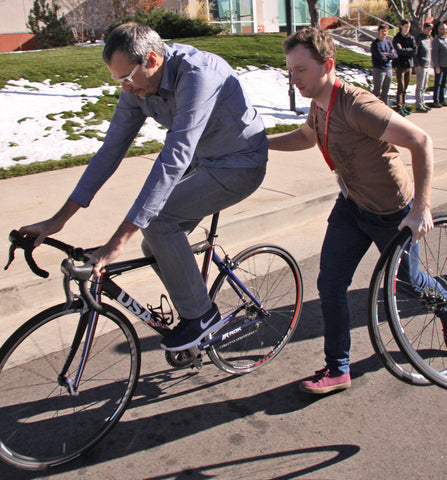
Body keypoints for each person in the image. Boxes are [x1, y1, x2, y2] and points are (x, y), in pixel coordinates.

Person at [18, 22, 268, 352]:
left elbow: (174, 155)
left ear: (151, 59)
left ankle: (201, 316)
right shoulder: (140, 85)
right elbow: (109, 151)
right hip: (202, 160)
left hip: (239, 163)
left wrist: (118, 240)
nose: (124, 88)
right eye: (117, 80)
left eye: (126, 78)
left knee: (158, 220)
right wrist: (57, 220)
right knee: (156, 245)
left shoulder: (198, 74)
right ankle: (195, 308)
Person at [268, 27, 444, 395]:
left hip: (391, 212)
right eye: (290, 69)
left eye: (300, 69)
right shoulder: (319, 103)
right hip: (351, 206)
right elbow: (306, 137)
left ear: (327, 65)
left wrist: (421, 209)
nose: (293, 78)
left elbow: (421, 141)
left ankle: (444, 299)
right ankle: (338, 369)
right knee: (330, 284)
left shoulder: (358, 106)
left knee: (411, 286)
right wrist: (260, 144)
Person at [392, 19, 417, 116]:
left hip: (408, 65)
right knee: (400, 87)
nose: (407, 29)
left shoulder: (411, 38)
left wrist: (404, 50)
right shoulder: (397, 38)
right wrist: (407, 51)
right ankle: (399, 106)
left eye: (409, 27)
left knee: (405, 88)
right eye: (406, 26)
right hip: (400, 65)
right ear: (401, 26)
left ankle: (403, 106)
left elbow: (414, 50)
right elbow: (398, 51)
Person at [371, 24, 397, 104]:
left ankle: (384, 107)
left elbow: (395, 55)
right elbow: (381, 57)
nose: (384, 33)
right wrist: (388, 55)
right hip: (379, 69)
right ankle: (374, 108)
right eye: (382, 31)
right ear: (379, 32)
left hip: (388, 69)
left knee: (386, 91)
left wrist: (387, 54)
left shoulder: (388, 43)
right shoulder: (375, 44)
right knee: (377, 91)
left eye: (385, 31)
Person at [414, 22, 433, 112]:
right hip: (420, 66)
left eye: (430, 29)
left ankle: (423, 103)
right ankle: (418, 105)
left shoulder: (428, 39)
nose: (429, 30)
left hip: (427, 65)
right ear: (424, 28)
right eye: (428, 28)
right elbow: (415, 53)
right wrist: (417, 64)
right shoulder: (419, 39)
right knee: (420, 86)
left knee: (425, 86)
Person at [431, 21, 447, 107]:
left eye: (444, 29)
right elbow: (434, 54)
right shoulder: (436, 40)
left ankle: (442, 99)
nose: (443, 30)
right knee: (438, 83)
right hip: (439, 65)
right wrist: (436, 65)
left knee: (444, 83)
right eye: (441, 29)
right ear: (438, 30)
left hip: (446, 65)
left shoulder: (446, 39)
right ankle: (435, 100)